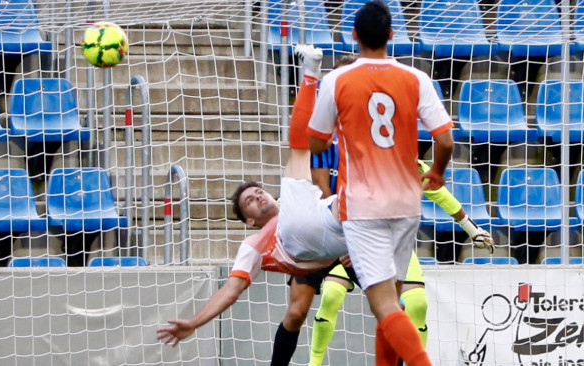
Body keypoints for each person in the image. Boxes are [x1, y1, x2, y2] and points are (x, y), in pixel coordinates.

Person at [270, 47, 494, 366]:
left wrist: (469, 227)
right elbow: (301, 170)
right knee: (298, 311)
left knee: (403, 306)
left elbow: (426, 186)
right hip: (322, 238)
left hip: (361, 238)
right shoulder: (320, 135)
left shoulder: (378, 144)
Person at [156, 37, 351, 347]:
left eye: (259, 191)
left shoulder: (294, 199)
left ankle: (324, 78)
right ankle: (317, 76)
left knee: (395, 300)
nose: (259, 196)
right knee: (298, 311)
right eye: (250, 200)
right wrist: (193, 323)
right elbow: (230, 290)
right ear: (248, 220)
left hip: (337, 232)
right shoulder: (255, 243)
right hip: (306, 241)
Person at [307, 1, 455, 365]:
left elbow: (316, 142)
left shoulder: (337, 80)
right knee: (393, 300)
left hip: (363, 206)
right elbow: (447, 139)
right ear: (391, 35)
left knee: (384, 304)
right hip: (406, 202)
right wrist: (437, 172)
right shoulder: (415, 77)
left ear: (353, 35)